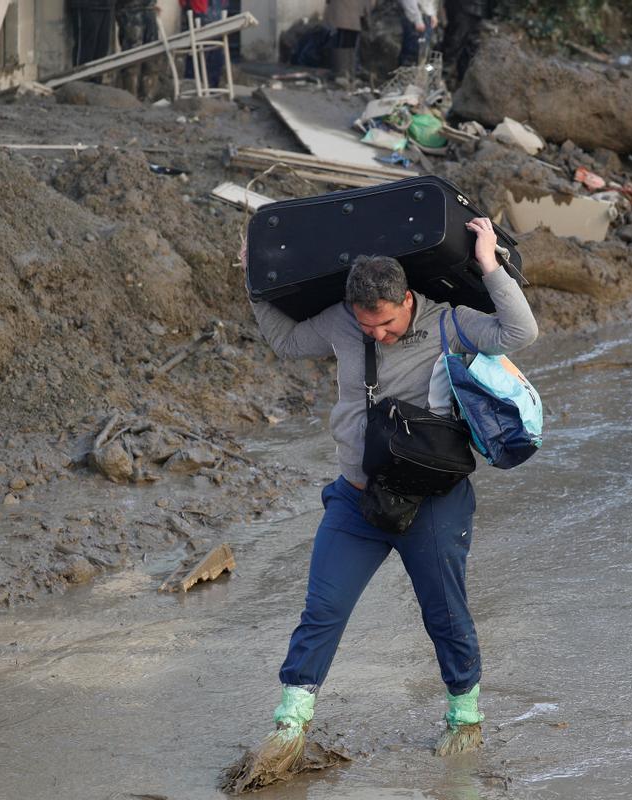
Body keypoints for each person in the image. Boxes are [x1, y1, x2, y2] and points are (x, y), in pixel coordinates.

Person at [233, 218, 537, 788]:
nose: (377, 334)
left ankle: (465, 716)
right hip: (356, 500)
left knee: (444, 615)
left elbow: (520, 332)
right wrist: (253, 277)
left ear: (407, 300)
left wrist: (490, 262)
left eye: (388, 323)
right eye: (367, 324)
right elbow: (284, 340)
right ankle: (289, 726)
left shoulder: (449, 322)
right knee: (322, 609)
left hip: (433, 502)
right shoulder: (345, 323)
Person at [324, 0, 374, 86]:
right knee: (349, 46)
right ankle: (346, 75)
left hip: (339, 14)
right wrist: (368, 23)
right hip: (351, 16)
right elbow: (367, 5)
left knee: (341, 43)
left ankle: (344, 74)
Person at [116, 0, 160, 98]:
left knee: (152, 58)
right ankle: (130, 97)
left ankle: (148, 97)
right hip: (130, 9)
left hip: (149, 9)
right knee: (132, 58)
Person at [441, 0, 489, 81]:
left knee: (469, 47)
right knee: (453, 44)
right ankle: (440, 77)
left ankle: (460, 79)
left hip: (475, 10)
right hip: (462, 9)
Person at [68, 0, 117, 68]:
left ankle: (96, 78)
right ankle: (81, 77)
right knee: (85, 52)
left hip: (106, 6)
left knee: (101, 51)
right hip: (86, 6)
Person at [398, 0, 437, 67]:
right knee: (412, 52)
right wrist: (417, 19)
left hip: (425, 15)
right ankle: (407, 73)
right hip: (415, 16)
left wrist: (432, 14)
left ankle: (423, 71)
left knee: (424, 49)